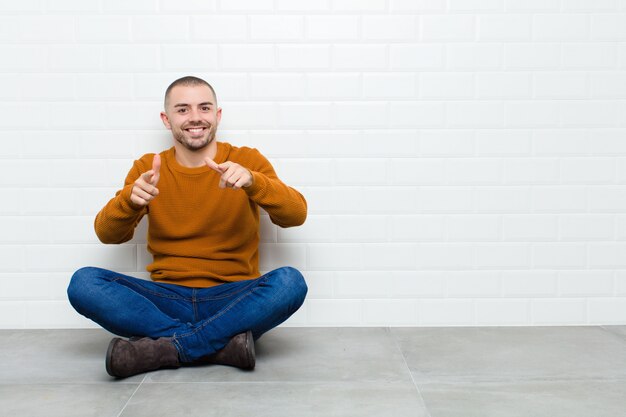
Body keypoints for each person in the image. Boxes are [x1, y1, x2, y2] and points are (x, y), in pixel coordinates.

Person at [67, 76, 308, 378]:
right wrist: (130, 201)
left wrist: (254, 181)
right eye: (183, 110)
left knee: (290, 282)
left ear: (217, 115)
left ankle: (169, 347)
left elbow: (296, 215)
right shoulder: (148, 167)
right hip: (167, 300)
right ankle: (217, 345)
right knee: (83, 283)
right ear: (166, 120)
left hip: (232, 299)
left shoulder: (247, 160)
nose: (195, 117)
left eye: (204, 108)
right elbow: (107, 234)